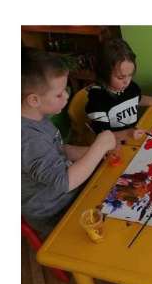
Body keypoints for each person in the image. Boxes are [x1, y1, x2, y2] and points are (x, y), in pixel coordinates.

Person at [21, 48, 116, 239]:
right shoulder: (27, 139)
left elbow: (59, 150)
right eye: (59, 94)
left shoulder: (37, 116)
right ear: (34, 100)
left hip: (71, 195)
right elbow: (64, 182)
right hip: (54, 214)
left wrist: (91, 152)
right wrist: (99, 147)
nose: (66, 96)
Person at [85, 38, 152, 145]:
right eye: (121, 77)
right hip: (111, 144)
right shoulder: (97, 99)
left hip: (132, 137)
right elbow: (102, 136)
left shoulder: (130, 87)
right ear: (104, 73)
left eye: (130, 75)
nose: (127, 82)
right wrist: (126, 133)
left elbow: (136, 99)